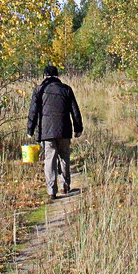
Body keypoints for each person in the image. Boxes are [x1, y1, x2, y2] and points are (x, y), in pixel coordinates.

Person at [26, 64, 83, 199]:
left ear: (44, 76)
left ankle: (51, 190)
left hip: (46, 132)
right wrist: (78, 128)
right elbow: (75, 110)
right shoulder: (66, 89)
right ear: (57, 76)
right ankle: (65, 186)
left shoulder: (39, 90)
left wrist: (30, 129)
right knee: (64, 156)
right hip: (64, 130)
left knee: (49, 159)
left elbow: (33, 111)